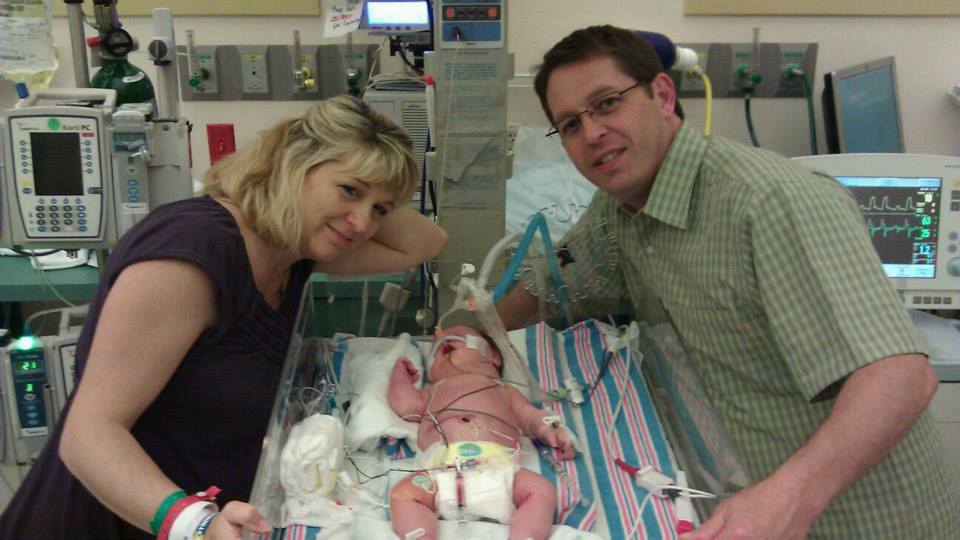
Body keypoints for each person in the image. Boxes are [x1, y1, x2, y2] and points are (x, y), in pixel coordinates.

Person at [495, 25, 959, 540]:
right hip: (737, 499)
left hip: (854, 520)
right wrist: (473, 333)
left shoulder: (773, 203)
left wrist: (787, 496)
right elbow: (553, 280)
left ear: (662, 95)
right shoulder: (622, 209)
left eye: (607, 103)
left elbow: (901, 377)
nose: (591, 133)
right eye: (570, 125)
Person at [0, 95, 447, 539]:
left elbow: (424, 244)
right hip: (106, 521)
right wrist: (194, 523)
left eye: (379, 210)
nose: (363, 223)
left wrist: (374, 181)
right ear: (293, 163)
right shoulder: (191, 255)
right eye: (349, 190)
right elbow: (88, 434)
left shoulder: (292, 250)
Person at [387, 325, 575, 540]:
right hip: (439, 476)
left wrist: (548, 428)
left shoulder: (504, 390)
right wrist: (399, 375)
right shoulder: (433, 391)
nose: (445, 342)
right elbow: (405, 405)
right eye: (436, 348)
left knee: (541, 490)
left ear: (493, 357)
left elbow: (530, 416)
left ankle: (525, 535)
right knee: (402, 494)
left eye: (460, 336)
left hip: (499, 470)